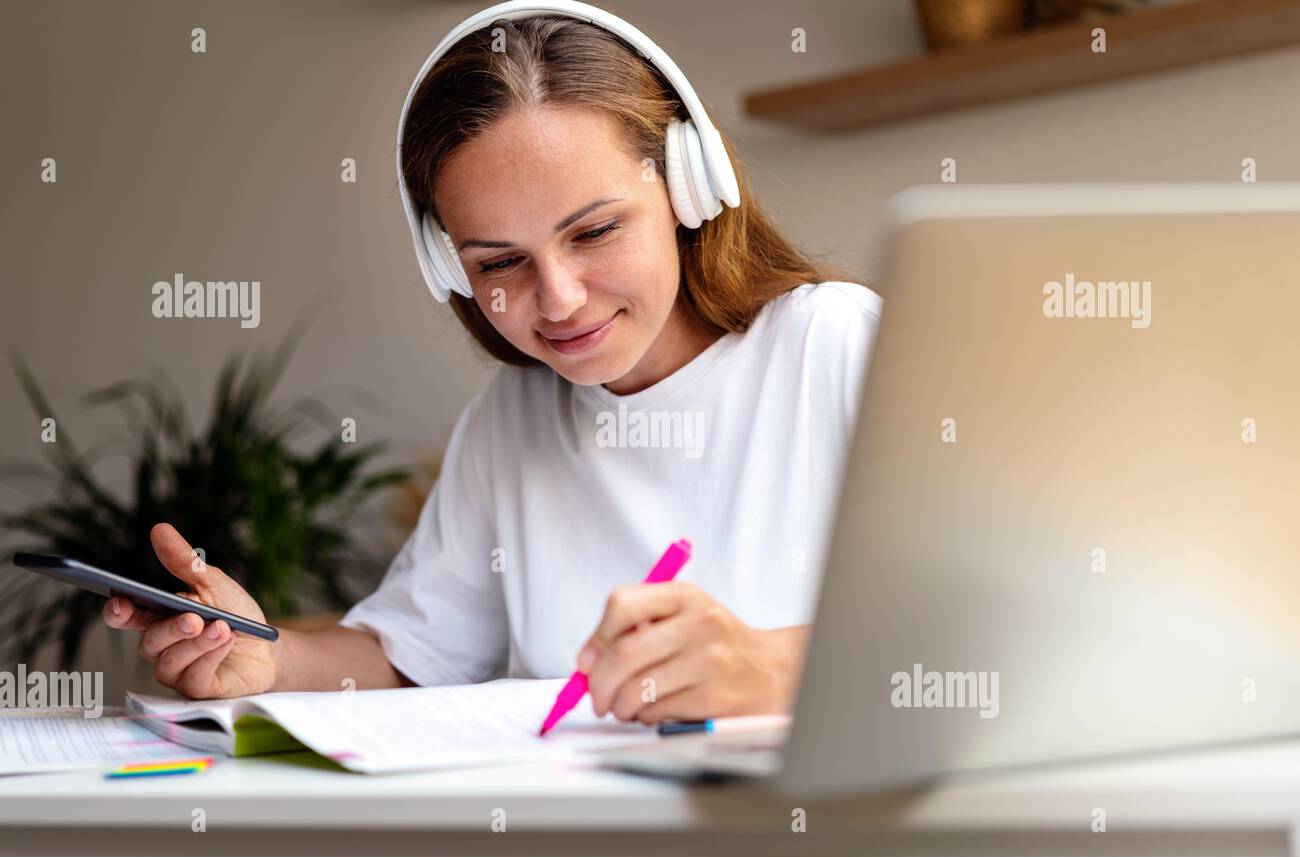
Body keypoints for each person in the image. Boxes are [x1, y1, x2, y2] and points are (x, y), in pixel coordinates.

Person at [102, 4, 882, 725]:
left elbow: (990, 637)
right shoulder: (513, 421)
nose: (559, 298)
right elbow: (409, 654)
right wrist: (267, 654)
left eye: (595, 231)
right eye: (501, 260)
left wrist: (779, 665)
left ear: (687, 184)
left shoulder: (836, 347)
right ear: (449, 269)